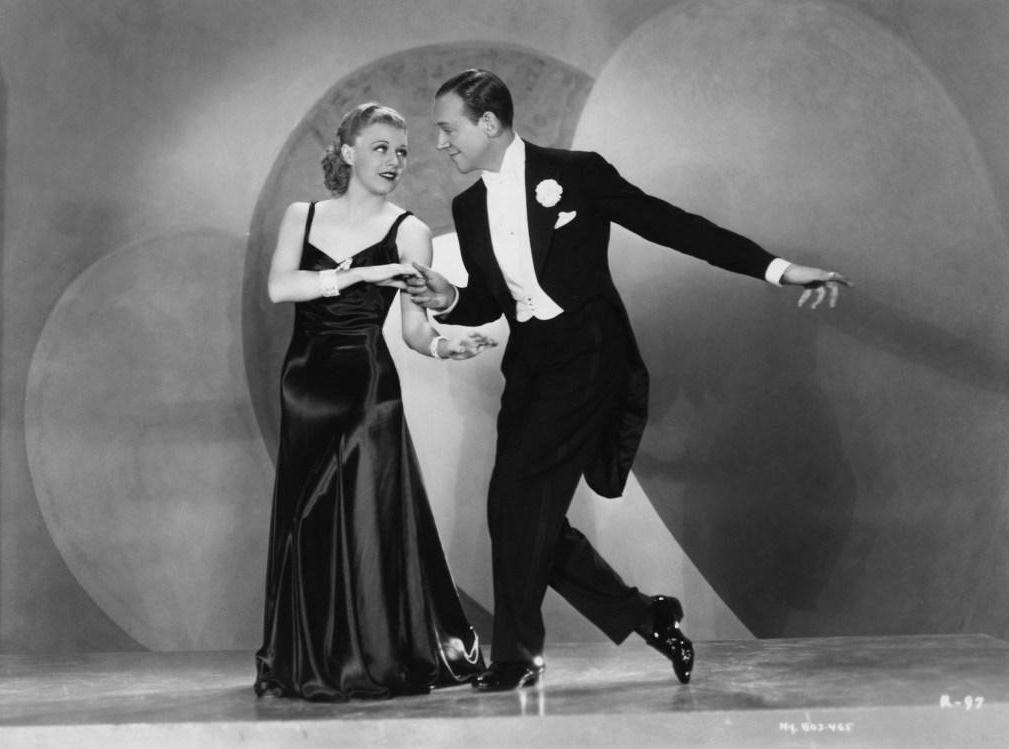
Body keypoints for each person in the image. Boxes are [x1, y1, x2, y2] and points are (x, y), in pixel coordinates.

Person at [406, 69, 851, 692]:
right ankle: (648, 615)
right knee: (517, 516)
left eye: (446, 129)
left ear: (488, 123)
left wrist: (778, 269)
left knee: (517, 507)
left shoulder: (578, 172)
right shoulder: (467, 205)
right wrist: (445, 294)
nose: (440, 143)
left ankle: (515, 659)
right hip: (531, 367)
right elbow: (485, 299)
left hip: (589, 362)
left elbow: (673, 225)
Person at [254, 102, 496, 701]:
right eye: (381, 147)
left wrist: (446, 345)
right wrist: (361, 275)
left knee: (362, 518)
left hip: (368, 389)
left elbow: (414, 330)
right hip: (305, 385)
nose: (394, 161)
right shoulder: (302, 215)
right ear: (347, 152)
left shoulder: (409, 230)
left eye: (402, 151)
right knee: (305, 526)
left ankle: (373, 655)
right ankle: (309, 656)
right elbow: (281, 287)